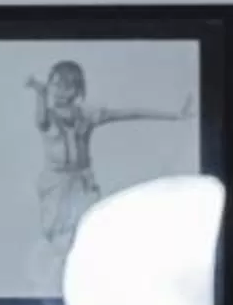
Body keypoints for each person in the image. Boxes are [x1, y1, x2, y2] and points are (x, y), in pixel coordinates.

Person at [24, 61, 195, 256]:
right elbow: (40, 119)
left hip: (82, 183)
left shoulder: (87, 116)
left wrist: (174, 115)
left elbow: (131, 113)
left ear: (77, 89)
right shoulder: (49, 117)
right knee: (60, 241)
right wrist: (39, 92)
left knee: (86, 233)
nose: (60, 91)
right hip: (56, 185)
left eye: (66, 86)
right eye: (55, 84)